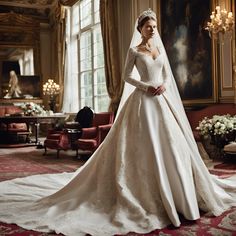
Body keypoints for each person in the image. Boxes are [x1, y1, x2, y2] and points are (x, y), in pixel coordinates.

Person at [0, 9, 235, 236]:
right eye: (148, 27)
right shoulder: (135, 50)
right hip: (142, 102)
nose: (152, 30)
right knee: (142, 145)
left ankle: (180, 192)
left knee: (172, 146)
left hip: (161, 101)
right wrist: (146, 86)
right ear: (140, 29)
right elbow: (126, 77)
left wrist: (162, 84)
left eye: (154, 26)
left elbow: (165, 74)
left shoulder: (160, 50)